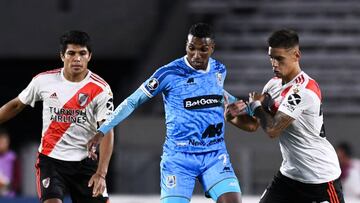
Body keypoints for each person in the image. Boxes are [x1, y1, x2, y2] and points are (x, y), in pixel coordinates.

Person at [87, 23, 242, 203]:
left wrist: (250, 105)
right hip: (179, 158)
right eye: (191, 48)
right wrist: (102, 130)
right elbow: (132, 101)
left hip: (214, 155)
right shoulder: (168, 73)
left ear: (212, 48)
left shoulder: (219, 70)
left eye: (203, 50)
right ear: (186, 45)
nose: (196, 55)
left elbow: (218, 94)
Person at [225, 29, 345, 203]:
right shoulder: (273, 85)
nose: (274, 64)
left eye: (279, 58)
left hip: (320, 178)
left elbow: (273, 129)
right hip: (289, 176)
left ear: (296, 55)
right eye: (271, 57)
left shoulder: (305, 90)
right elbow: (254, 125)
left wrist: (256, 105)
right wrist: (232, 117)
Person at [0, 31, 114, 203]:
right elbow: (16, 105)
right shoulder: (43, 81)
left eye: (82, 53)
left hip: (85, 162)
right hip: (51, 161)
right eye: (71, 53)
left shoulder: (100, 89)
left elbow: (107, 130)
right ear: (62, 56)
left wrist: (101, 173)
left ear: (89, 56)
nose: (77, 58)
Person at [0, 126, 20, 197]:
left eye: (4, 141)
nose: (2, 144)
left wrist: (7, 185)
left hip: (9, 196)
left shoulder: (13, 157)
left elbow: (17, 179)